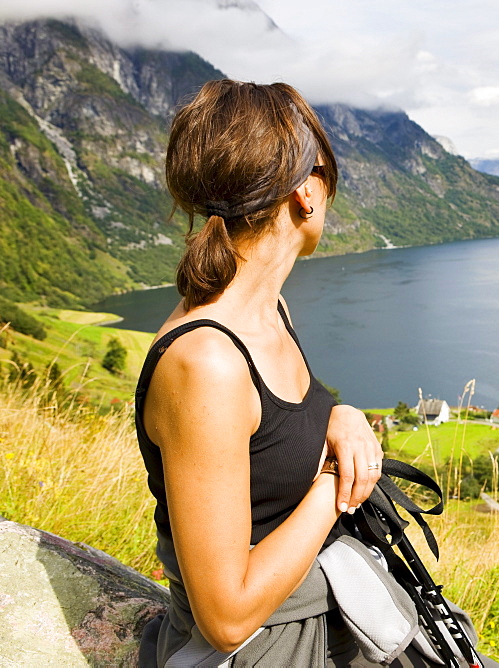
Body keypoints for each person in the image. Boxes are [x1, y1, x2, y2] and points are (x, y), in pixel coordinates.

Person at [135, 80, 408, 666]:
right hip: (269, 648)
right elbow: (227, 617)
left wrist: (342, 415)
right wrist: (337, 483)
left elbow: (277, 432)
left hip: (319, 608)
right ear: (307, 191)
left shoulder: (268, 311)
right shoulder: (205, 362)